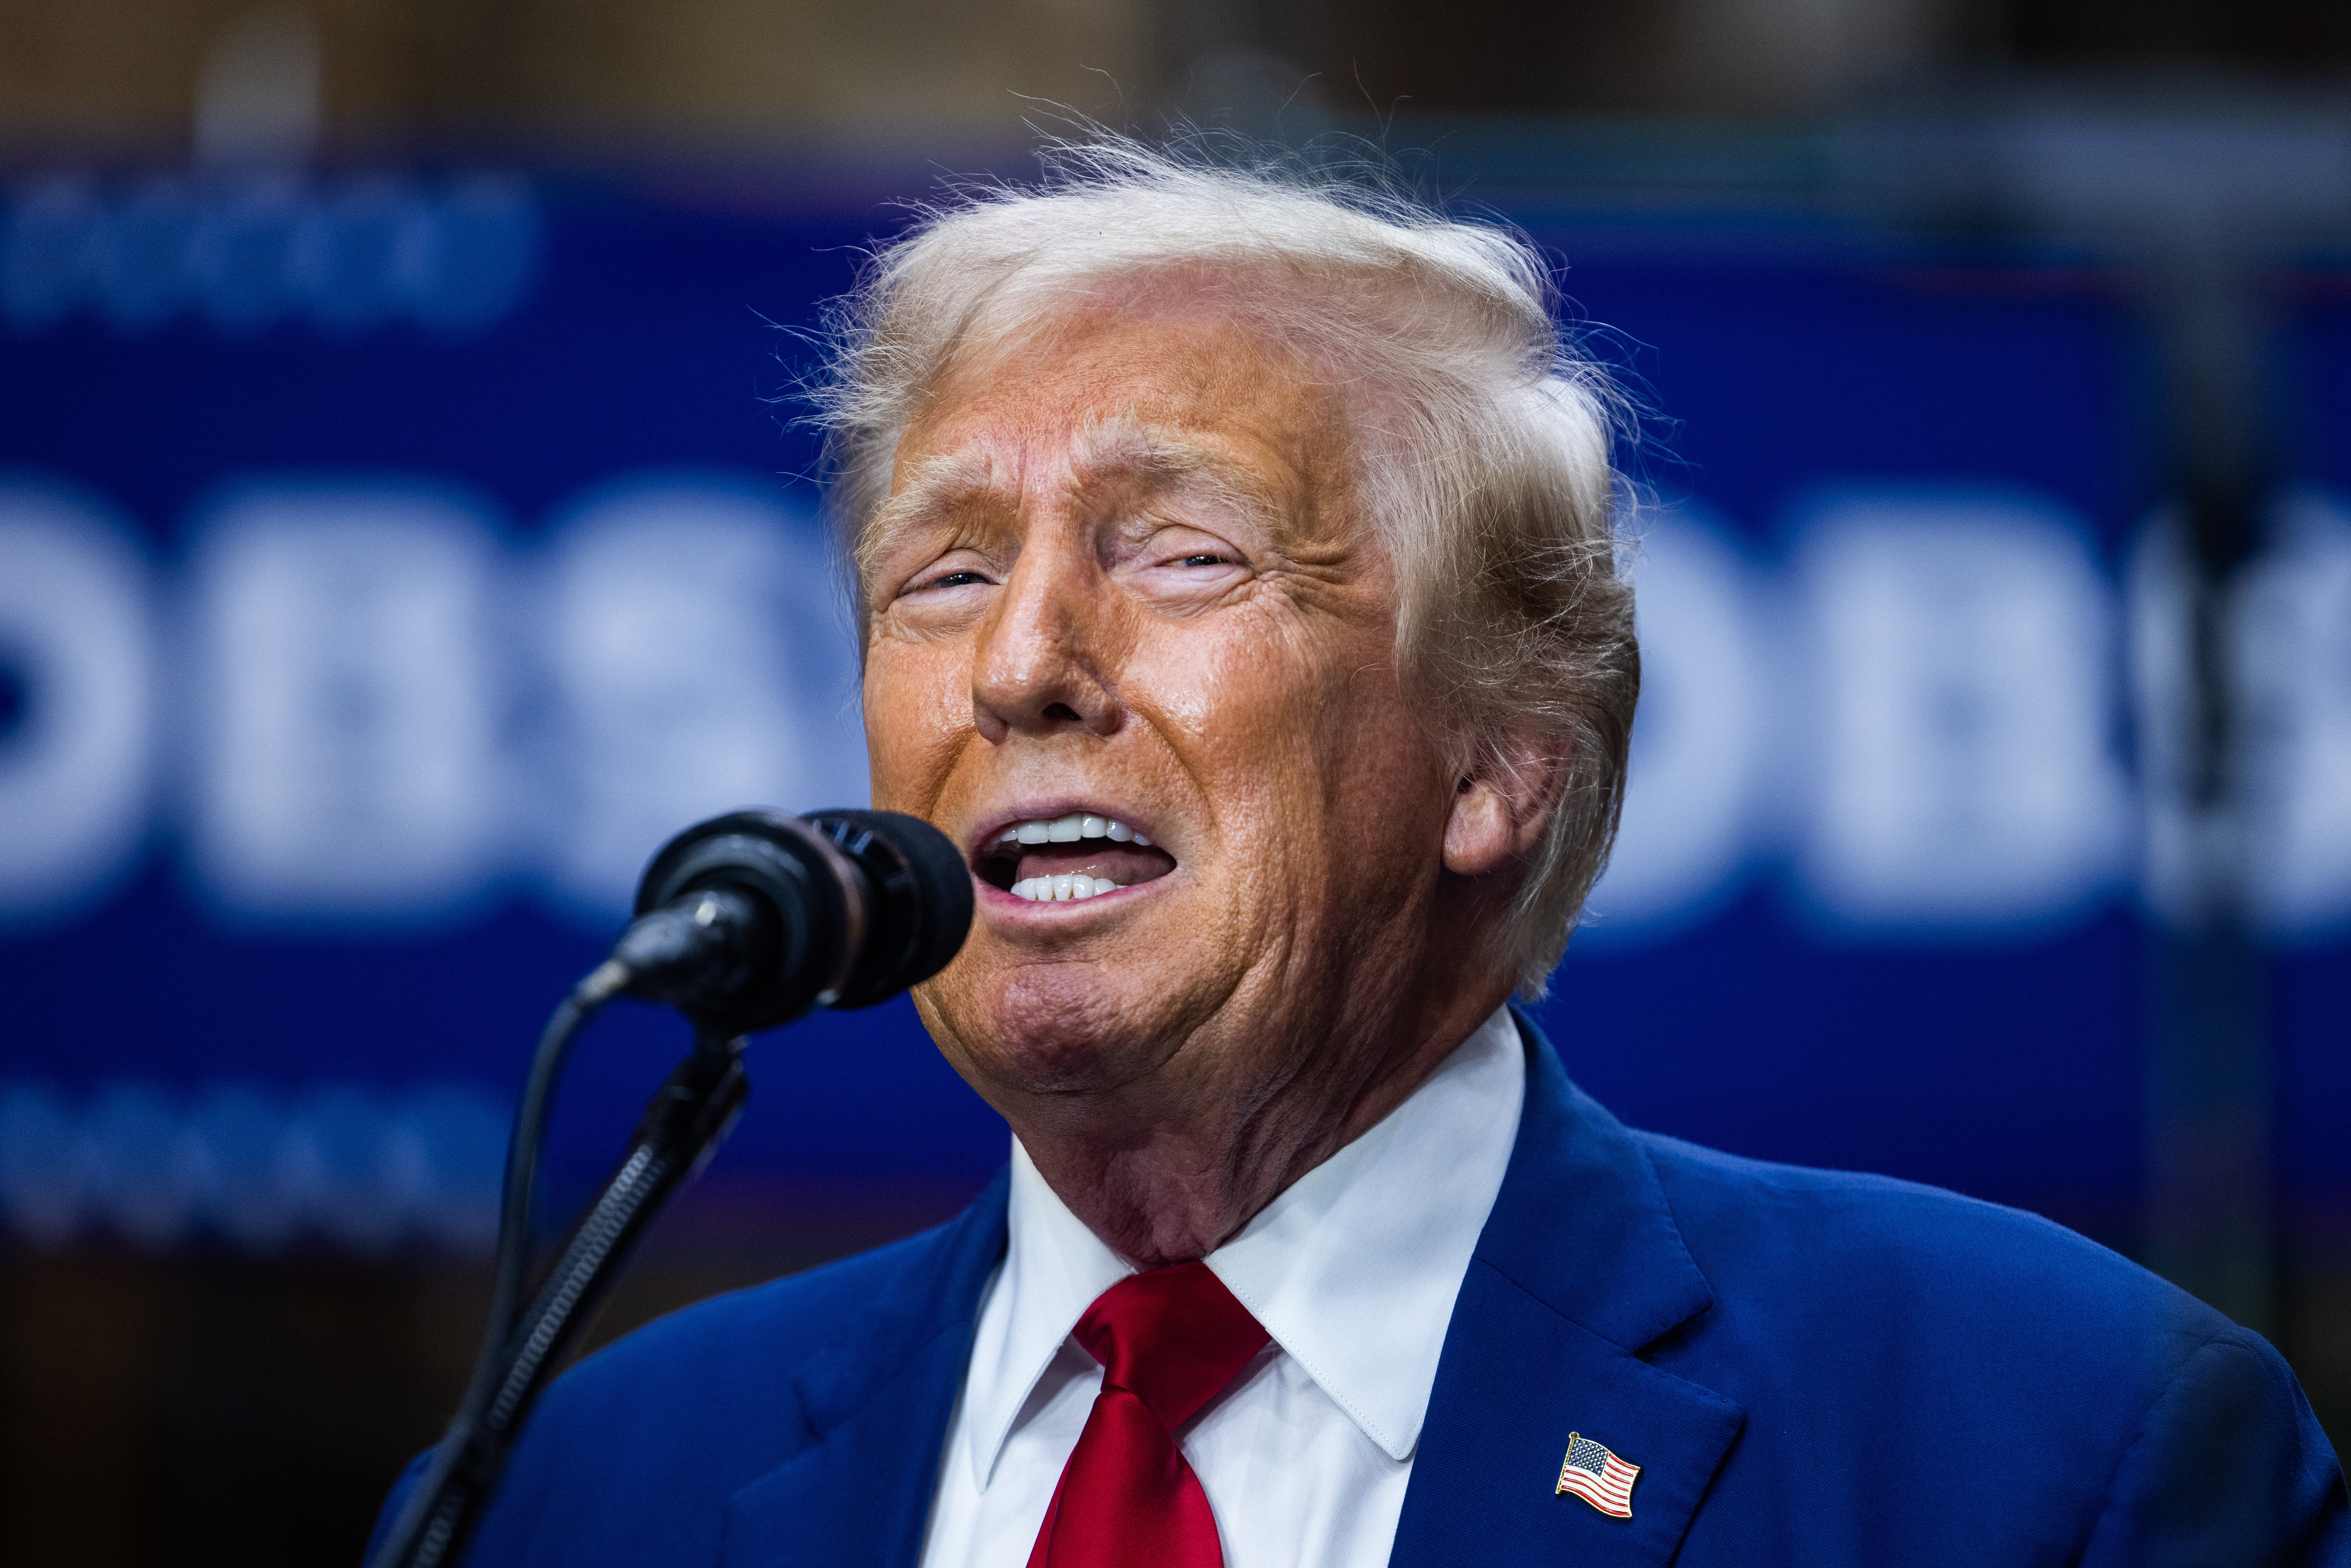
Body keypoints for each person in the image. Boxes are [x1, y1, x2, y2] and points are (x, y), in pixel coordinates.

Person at [373, 139, 2346, 1567]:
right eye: (944, 573)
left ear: (1499, 754)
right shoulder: (566, 1488)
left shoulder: (2042, 1452)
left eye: (1183, 551)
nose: (1023, 664)